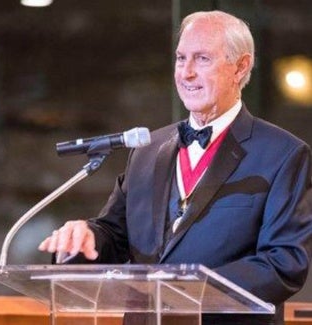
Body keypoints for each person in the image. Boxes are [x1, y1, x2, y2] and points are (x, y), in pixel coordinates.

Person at [39, 10, 312, 325]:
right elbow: (114, 234)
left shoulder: (283, 154)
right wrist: (86, 237)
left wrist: (189, 290)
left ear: (241, 67)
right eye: (181, 59)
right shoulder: (147, 150)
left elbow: (284, 264)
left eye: (202, 59)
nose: (187, 73)